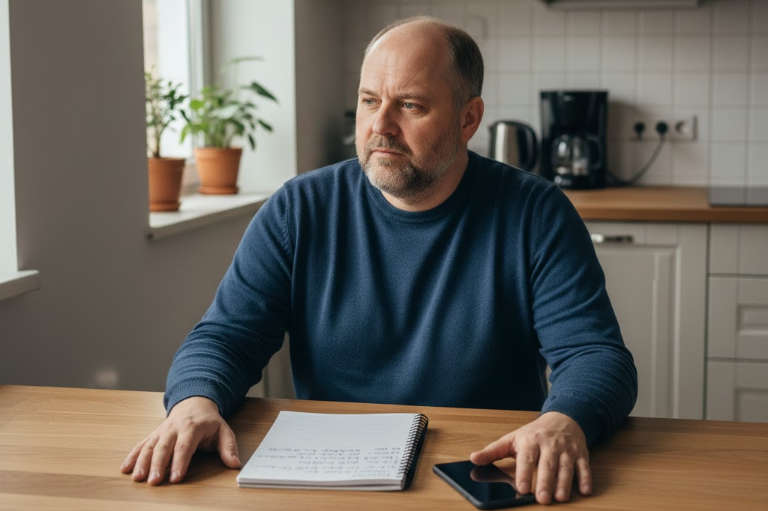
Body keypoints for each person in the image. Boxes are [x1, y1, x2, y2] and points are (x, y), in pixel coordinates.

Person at [121, 17, 637, 505]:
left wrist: (564, 418)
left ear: (468, 119)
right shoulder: (300, 208)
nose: (380, 126)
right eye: (370, 101)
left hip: (483, 469)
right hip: (335, 476)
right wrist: (195, 404)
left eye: (410, 105)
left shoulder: (536, 213)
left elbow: (595, 356)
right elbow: (226, 337)